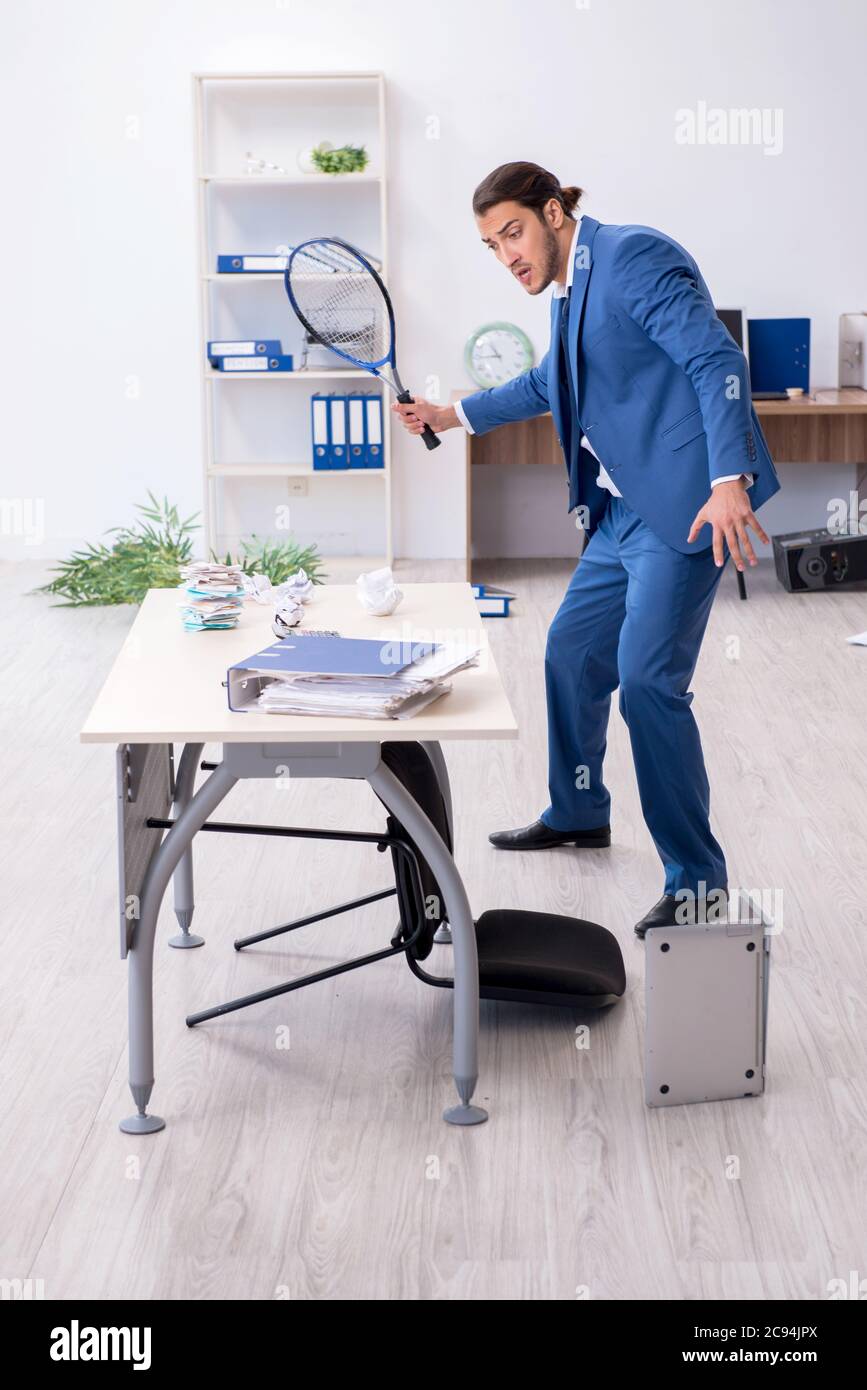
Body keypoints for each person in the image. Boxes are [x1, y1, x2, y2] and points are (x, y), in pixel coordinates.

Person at [392, 161, 781, 939]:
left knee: (645, 686)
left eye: (512, 233)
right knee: (569, 655)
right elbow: (548, 384)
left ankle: (698, 880)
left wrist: (727, 478)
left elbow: (717, 361)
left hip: (685, 512)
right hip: (617, 517)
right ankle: (577, 812)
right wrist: (450, 414)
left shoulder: (632, 256)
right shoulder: (570, 288)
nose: (506, 255)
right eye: (490, 245)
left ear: (552, 212)